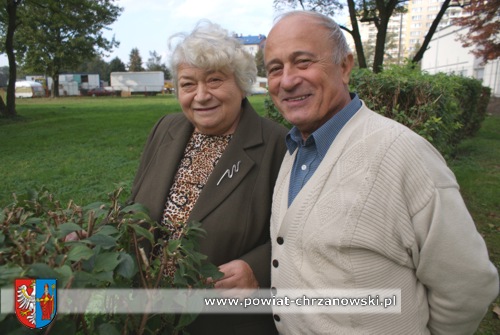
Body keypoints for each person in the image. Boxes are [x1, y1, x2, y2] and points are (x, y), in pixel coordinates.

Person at [264, 10, 499, 335]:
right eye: (275, 69)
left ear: (344, 67)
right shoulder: (295, 151)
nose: (287, 80)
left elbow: (469, 284)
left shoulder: (403, 154)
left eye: (303, 62)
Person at [130, 20, 287, 335]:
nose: (200, 96)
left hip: (225, 321)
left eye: (214, 80)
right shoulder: (166, 129)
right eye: (188, 84)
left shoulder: (277, 144)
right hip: (149, 317)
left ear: (241, 84)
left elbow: (300, 236)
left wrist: (257, 269)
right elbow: (136, 206)